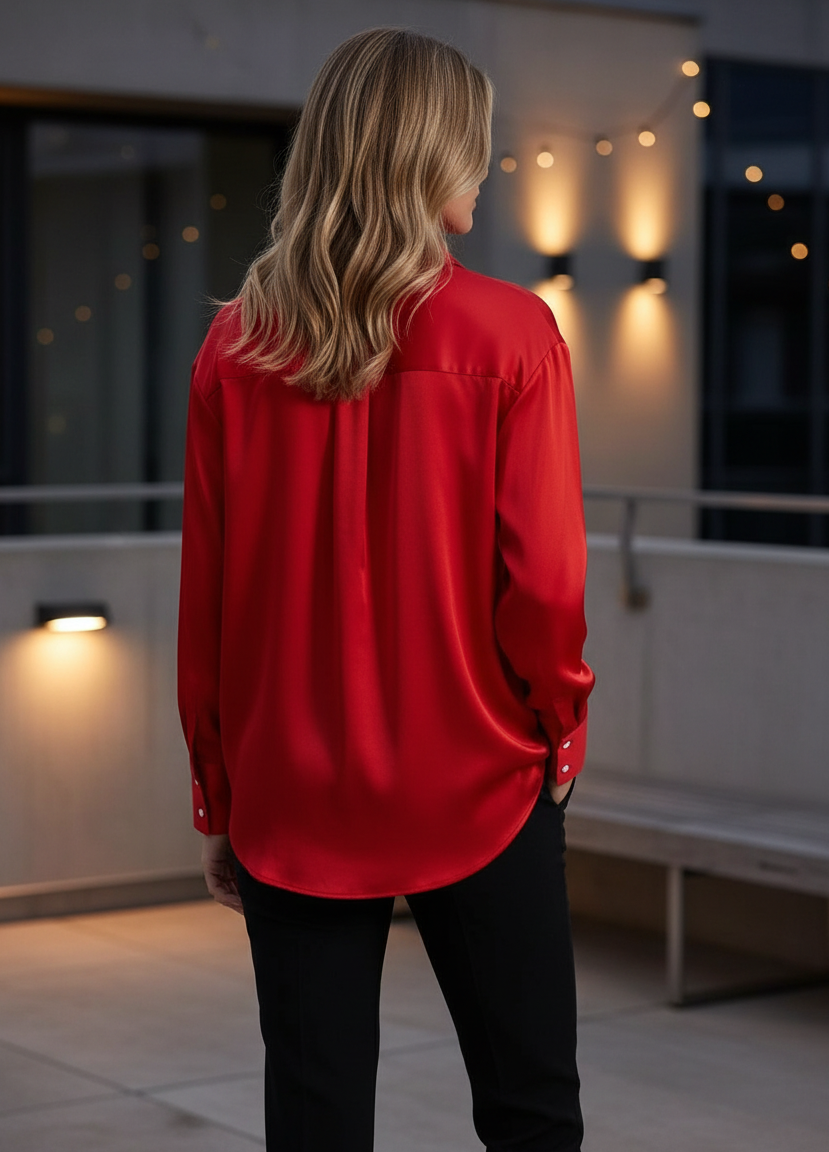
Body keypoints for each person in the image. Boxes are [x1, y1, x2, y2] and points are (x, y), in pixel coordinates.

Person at [178, 26, 594, 1152]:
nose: (484, 168)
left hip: (290, 792)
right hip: (482, 779)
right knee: (532, 1110)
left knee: (313, 1118)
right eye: (474, 145)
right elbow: (546, 586)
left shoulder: (235, 346)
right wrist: (559, 732)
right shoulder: (513, 332)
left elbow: (209, 603)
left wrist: (219, 792)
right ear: (423, 153)